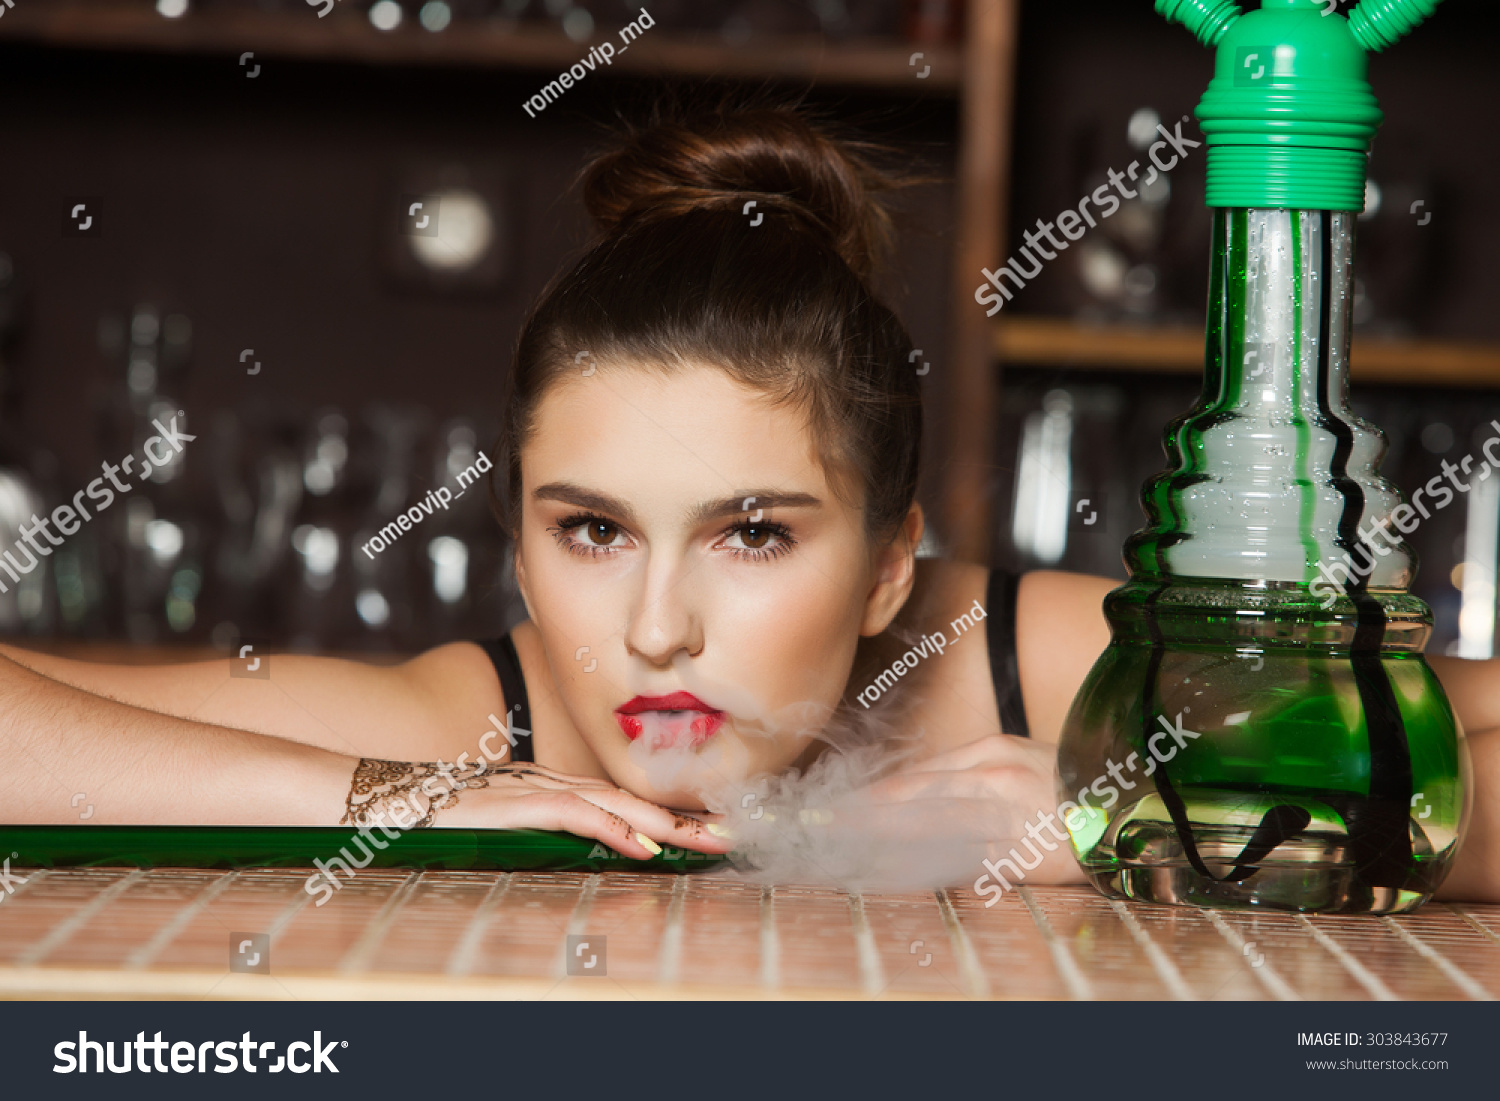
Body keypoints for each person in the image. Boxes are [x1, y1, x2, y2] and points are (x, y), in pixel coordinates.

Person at [0, 104, 1494, 902]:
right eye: (591, 530)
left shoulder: (1016, 660)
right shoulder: (489, 725)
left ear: (891, 567)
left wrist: (1122, 812)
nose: (654, 628)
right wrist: (405, 797)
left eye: (756, 531)